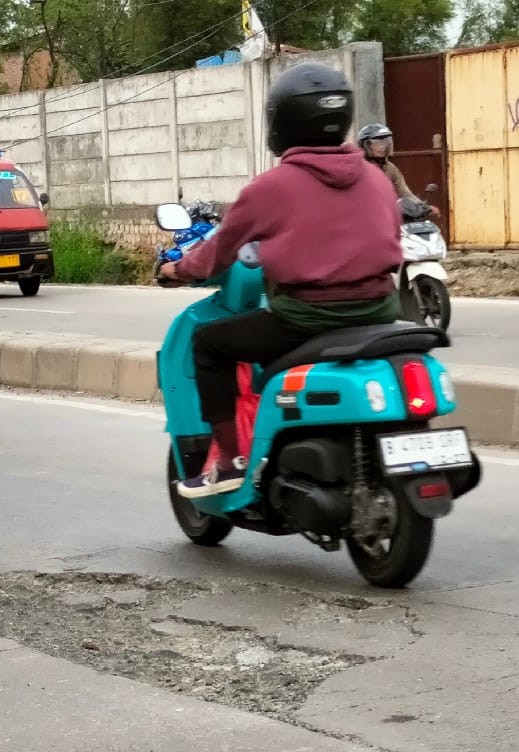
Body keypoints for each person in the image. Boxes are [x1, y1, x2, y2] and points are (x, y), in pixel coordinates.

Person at [158, 62, 404, 499]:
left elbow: (217, 254)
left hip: (306, 319)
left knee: (209, 344)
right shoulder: (376, 178)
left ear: (282, 121)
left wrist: (177, 270)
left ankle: (232, 461)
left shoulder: (270, 187)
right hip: (382, 311)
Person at [356, 123, 439, 217]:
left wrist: (423, 207)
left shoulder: (389, 168)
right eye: (377, 143)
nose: (382, 147)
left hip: (389, 217)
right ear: (365, 146)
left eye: (385, 142)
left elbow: (404, 192)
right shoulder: (358, 168)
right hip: (366, 217)